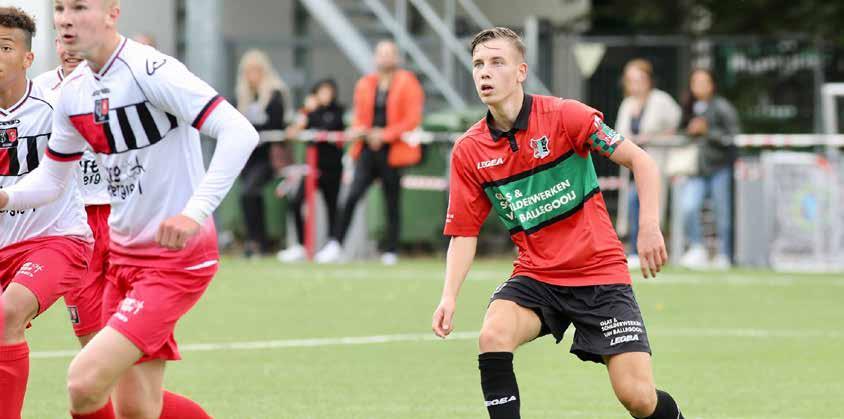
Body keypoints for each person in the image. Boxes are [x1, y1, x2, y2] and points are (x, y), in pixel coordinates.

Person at [0, 1, 259, 418]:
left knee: (84, 381)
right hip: (123, 260)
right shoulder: (73, 95)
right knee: (135, 406)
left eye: (79, 7)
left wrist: (194, 212)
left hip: (172, 261)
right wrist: (7, 197)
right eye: (60, 8)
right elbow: (50, 180)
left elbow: (238, 131)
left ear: (112, 13)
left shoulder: (151, 70)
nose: (65, 18)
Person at [431, 27, 685, 419]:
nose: (485, 72)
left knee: (638, 397)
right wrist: (449, 295)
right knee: (492, 335)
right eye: (479, 64)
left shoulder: (566, 116)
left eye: (497, 62)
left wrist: (649, 226)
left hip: (599, 275)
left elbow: (642, 161)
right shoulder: (470, 150)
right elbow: (464, 231)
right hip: (538, 276)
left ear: (521, 71)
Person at [0, 8, 93, 418]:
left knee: (7, 315)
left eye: (4, 47)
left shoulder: (57, 106)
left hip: (56, 240)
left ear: (27, 58)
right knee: (109, 384)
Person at [314, 40, 424, 265]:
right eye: (381, 54)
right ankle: (336, 243)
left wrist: (384, 135)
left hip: (394, 150)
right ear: (375, 58)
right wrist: (363, 132)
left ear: (397, 58)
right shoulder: (366, 83)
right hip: (366, 149)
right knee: (352, 195)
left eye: (389, 54)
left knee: (392, 200)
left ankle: (391, 249)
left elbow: (411, 119)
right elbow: (360, 116)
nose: (385, 58)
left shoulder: (408, 83)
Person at [33, 37, 111, 348]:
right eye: (63, 39)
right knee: (91, 338)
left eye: (78, 39)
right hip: (72, 222)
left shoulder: (122, 84)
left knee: (134, 336)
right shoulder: (39, 91)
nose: (69, 50)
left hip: (123, 214)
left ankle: (134, 396)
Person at [614, 58, 681, 269]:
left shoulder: (661, 100)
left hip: (655, 163)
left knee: (652, 208)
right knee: (634, 206)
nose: (635, 84)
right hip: (632, 167)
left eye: (639, 79)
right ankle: (635, 249)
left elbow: (676, 125)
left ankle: (657, 252)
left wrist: (653, 137)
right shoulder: (627, 104)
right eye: (631, 79)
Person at [678, 68, 739, 270]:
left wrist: (708, 132)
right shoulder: (689, 107)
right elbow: (681, 132)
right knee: (688, 206)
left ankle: (724, 254)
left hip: (720, 167)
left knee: (723, 213)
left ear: (712, 84)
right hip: (697, 169)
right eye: (695, 82)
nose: (699, 86)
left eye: (704, 82)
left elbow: (732, 136)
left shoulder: (722, 107)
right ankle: (697, 248)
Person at [277, 79, 345, 262]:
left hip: (332, 169)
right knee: (296, 203)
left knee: (332, 207)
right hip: (311, 168)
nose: (326, 95)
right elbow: (293, 131)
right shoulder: (308, 112)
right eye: (322, 92)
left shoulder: (337, 111)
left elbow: (328, 127)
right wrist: (306, 111)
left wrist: (312, 113)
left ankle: (333, 245)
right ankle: (299, 245)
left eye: (329, 91)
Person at [235, 49, 287, 257]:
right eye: (248, 71)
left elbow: (276, 124)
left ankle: (259, 240)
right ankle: (254, 239)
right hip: (247, 157)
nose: (252, 75)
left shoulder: (274, 94)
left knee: (250, 192)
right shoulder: (242, 96)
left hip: (267, 156)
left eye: (256, 70)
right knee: (248, 196)